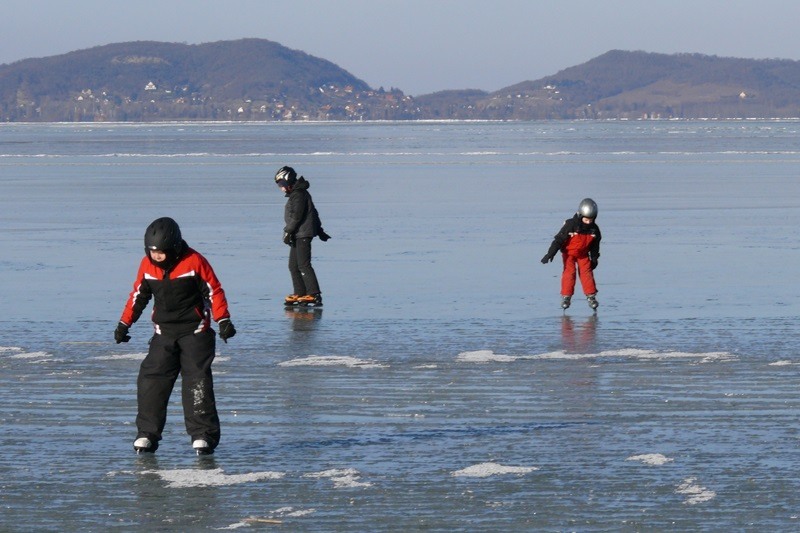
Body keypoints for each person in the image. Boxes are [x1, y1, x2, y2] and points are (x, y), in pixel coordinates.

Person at [114, 217, 236, 455]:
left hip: (196, 332)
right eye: (152, 252)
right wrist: (124, 323)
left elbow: (214, 291)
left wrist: (224, 320)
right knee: (151, 379)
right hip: (164, 333)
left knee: (196, 380)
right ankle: (147, 433)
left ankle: (203, 435)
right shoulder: (147, 265)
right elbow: (138, 295)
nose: (156, 256)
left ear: (175, 247)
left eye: (161, 252)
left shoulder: (194, 261)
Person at [274, 166, 330, 307]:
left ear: (288, 181)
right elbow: (314, 213)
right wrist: (320, 230)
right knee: (293, 265)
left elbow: (297, 216)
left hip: (302, 234)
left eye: (281, 184)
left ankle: (314, 294)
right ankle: (300, 292)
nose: (281, 188)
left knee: (303, 265)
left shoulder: (299, 194)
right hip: (297, 233)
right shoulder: (296, 194)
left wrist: (288, 231)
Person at [541, 198, 602, 310]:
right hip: (569, 254)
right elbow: (558, 240)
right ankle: (566, 296)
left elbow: (595, 246)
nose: (588, 222)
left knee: (586, 273)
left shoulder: (594, 229)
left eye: (591, 220)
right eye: (586, 219)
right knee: (569, 273)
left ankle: (591, 296)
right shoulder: (571, 225)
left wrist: (594, 258)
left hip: (583, 254)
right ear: (580, 216)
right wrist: (550, 254)